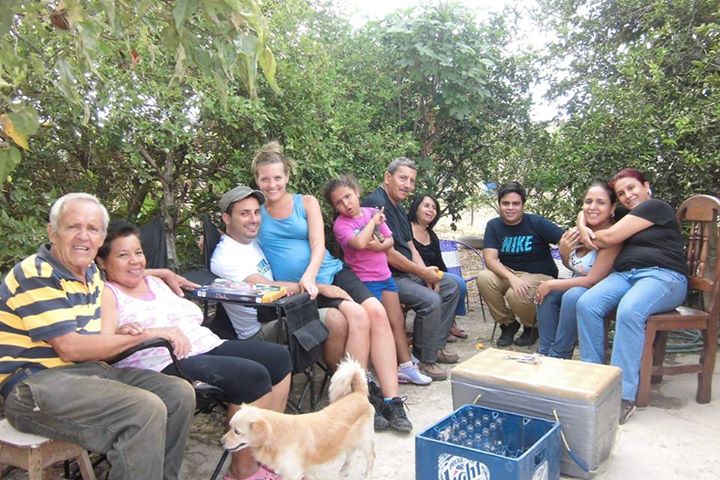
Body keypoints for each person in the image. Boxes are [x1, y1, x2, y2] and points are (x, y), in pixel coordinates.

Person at [0, 193, 195, 480]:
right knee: (144, 408)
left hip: (88, 374)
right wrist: (145, 335)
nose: (83, 236)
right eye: (72, 227)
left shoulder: (90, 272)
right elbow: (70, 347)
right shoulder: (37, 273)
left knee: (178, 393)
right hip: (33, 387)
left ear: (102, 237)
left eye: (92, 229)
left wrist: (119, 334)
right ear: (52, 232)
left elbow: (89, 339)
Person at [97, 220, 291, 480]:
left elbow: (146, 275)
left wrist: (161, 273)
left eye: (138, 252)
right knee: (252, 376)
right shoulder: (108, 294)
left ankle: (264, 452)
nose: (135, 261)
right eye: (123, 255)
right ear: (102, 262)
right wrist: (135, 333)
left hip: (203, 344)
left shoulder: (152, 281)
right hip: (161, 361)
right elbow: (106, 345)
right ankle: (242, 471)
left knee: (279, 358)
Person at [251, 142, 412, 433]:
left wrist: (312, 277)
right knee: (358, 316)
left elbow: (318, 244)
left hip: (329, 272)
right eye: (265, 179)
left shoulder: (306, 202)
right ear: (257, 180)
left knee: (377, 312)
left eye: (277, 177)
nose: (272, 184)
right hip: (305, 291)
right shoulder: (257, 213)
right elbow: (236, 230)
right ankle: (360, 398)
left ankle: (392, 400)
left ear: (287, 176)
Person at [575, 168, 688, 424]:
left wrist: (587, 234)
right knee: (587, 303)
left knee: (629, 310)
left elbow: (610, 236)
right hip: (627, 276)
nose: (627, 195)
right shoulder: (627, 214)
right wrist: (583, 226)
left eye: (631, 188)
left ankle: (623, 396)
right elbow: (585, 213)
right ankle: (594, 378)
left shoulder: (656, 207)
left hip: (664, 276)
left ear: (646, 186)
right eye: (621, 193)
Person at [210, 186, 348, 370]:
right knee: (334, 319)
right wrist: (320, 288)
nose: (254, 219)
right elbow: (267, 287)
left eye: (256, 212)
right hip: (260, 330)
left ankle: (350, 376)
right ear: (227, 218)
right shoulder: (225, 257)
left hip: (282, 310)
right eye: (244, 214)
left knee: (348, 312)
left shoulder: (251, 240)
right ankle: (340, 379)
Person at [324, 174, 432, 386]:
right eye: (339, 202)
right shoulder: (341, 225)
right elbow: (359, 243)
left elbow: (389, 240)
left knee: (397, 320)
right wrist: (373, 224)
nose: (346, 204)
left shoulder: (371, 212)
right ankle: (370, 374)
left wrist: (378, 244)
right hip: (364, 280)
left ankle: (406, 366)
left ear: (357, 192)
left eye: (348, 196)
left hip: (385, 276)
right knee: (375, 325)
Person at [362, 157, 461, 381]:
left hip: (407, 273)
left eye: (412, 181)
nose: (407, 185)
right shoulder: (374, 205)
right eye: (403, 178)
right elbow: (386, 253)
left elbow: (410, 247)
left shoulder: (398, 208)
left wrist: (428, 274)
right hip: (386, 276)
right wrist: (421, 273)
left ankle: (434, 347)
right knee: (430, 300)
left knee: (451, 286)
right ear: (388, 177)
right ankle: (424, 360)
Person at [534, 182, 621, 359]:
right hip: (579, 284)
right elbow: (575, 266)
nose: (593, 207)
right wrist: (564, 253)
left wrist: (551, 283)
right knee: (546, 295)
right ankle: (545, 352)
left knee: (571, 295)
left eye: (600, 202)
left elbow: (592, 280)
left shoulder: (613, 236)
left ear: (612, 208)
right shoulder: (579, 232)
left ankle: (558, 355)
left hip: (602, 289)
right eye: (588, 201)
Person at [476, 181, 564, 347]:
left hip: (539, 275)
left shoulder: (536, 222)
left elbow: (564, 240)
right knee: (483, 278)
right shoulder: (494, 225)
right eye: (505, 203)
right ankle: (508, 324)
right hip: (511, 273)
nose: (510, 208)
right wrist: (512, 278)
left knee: (515, 294)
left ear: (523, 205)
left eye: (515, 203)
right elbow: (490, 259)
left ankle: (532, 326)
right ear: (499, 204)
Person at [408, 193, 469, 340]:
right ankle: (445, 327)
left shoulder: (431, 235)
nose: (430, 210)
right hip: (412, 274)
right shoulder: (406, 228)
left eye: (434, 208)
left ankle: (449, 322)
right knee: (455, 283)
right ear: (416, 208)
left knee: (457, 282)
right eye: (426, 206)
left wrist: (444, 276)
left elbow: (440, 263)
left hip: (432, 274)